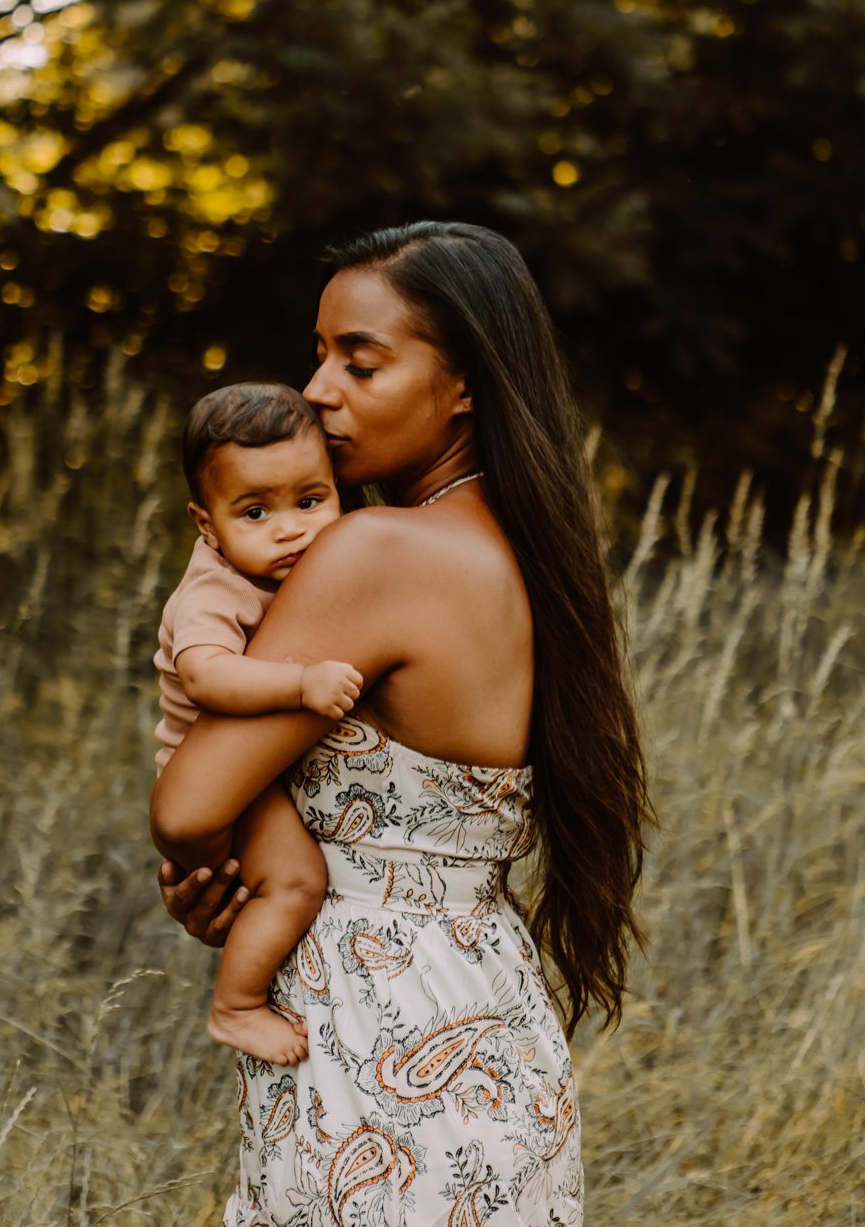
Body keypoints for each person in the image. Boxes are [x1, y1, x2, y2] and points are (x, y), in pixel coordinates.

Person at [151, 221, 651, 1225]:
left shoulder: (375, 550)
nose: (318, 390)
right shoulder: (516, 547)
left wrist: (217, 868)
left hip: (377, 1049)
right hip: (489, 1027)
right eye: (321, 351)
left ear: (462, 380)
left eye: (360, 360)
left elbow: (190, 799)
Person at [154, 382, 362, 1064]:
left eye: (311, 501)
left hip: (251, 772)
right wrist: (301, 685)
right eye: (254, 511)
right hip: (218, 778)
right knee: (296, 880)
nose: (290, 527)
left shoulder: (301, 568)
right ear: (207, 524)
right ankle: (236, 1007)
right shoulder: (215, 588)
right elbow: (207, 675)